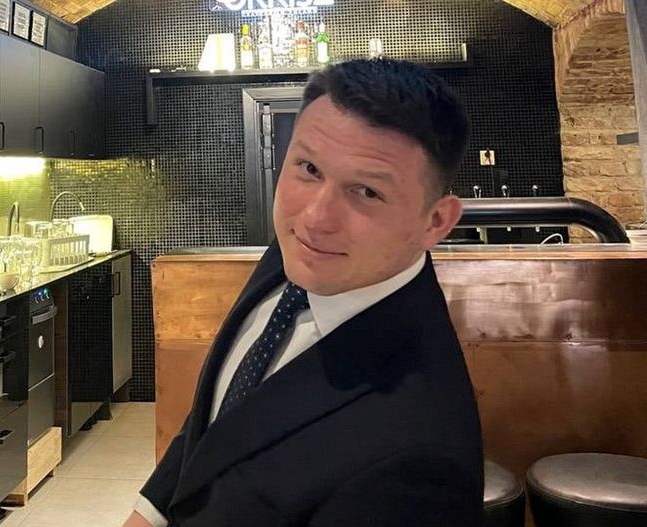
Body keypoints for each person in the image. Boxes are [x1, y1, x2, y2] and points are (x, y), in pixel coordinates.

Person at [124, 59, 484, 527]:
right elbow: (217, 425)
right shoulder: (300, 254)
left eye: (366, 192)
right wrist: (148, 514)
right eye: (309, 168)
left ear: (435, 222)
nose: (315, 217)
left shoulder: (421, 458)